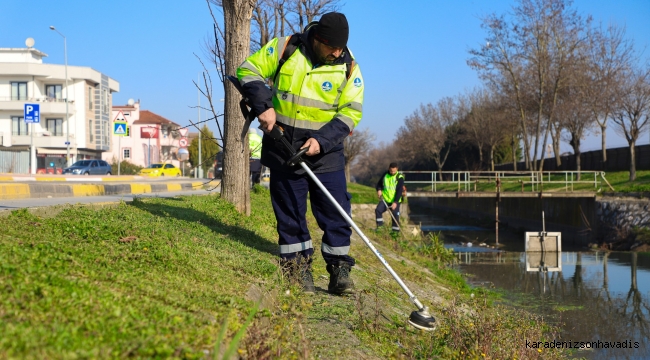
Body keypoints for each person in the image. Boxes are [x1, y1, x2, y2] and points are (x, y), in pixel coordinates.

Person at [237, 12, 364, 294]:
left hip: (325, 153)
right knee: (291, 214)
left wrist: (321, 141)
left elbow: (351, 113)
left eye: (341, 48)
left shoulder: (349, 67)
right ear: (317, 39)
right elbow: (247, 69)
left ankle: (339, 269)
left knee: (335, 211)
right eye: (332, 47)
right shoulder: (286, 48)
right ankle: (297, 268)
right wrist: (263, 106)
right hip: (283, 147)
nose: (337, 52)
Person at [375, 162, 405, 233]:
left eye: (394, 171)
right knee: (378, 210)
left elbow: (399, 191)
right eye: (391, 171)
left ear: (397, 169)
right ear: (389, 169)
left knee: (395, 216)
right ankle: (380, 228)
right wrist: (379, 190)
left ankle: (395, 233)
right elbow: (379, 184)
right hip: (385, 199)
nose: (392, 172)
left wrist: (395, 202)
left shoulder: (400, 177)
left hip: (395, 201)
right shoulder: (385, 175)